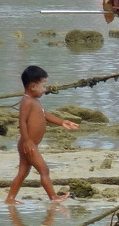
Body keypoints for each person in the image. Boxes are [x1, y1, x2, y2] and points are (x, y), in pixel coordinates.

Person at [5, 65, 79, 203]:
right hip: (29, 144)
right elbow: (22, 121)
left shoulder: (35, 101)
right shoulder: (26, 101)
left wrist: (62, 122)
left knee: (22, 173)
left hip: (29, 144)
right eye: (43, 85)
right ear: (33, 86)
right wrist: (27, 141)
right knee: (44, 170)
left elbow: (45, 115)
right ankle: (53, 197)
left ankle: (10, 198)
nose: (45, 89)